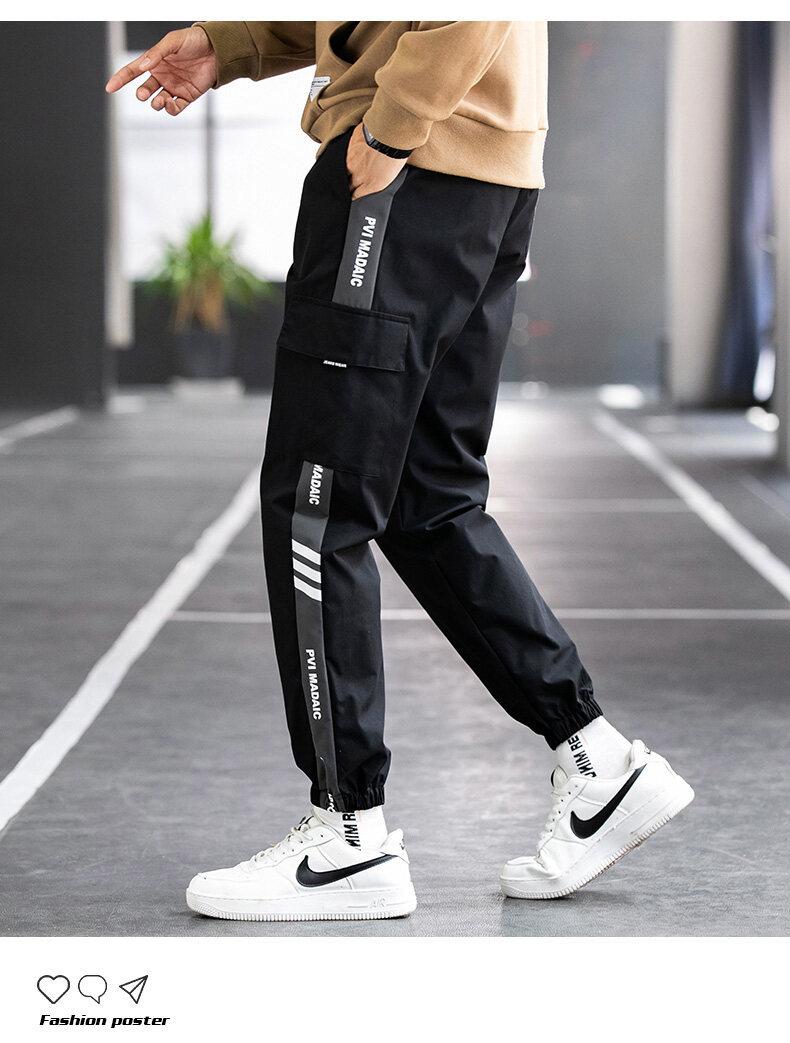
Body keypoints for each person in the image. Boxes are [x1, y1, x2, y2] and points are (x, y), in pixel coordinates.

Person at [107, 21, 693, 922]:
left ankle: (349, 834)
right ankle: (598, 760)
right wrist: (238, 44)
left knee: (317, 505)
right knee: (428, 497)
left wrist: (389, 132)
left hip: (404, 174)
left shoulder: (398, 140)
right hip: (481, 179)